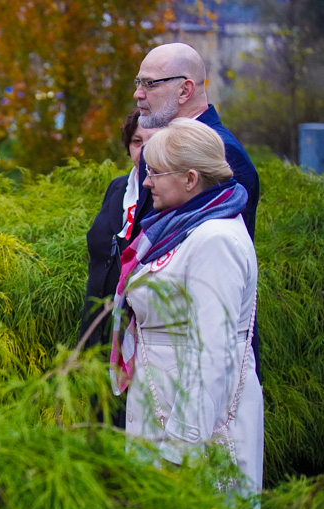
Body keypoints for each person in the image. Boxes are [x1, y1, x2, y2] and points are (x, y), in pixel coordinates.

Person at [110, 119, 263, 492]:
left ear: (191, 179)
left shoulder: (215, 240)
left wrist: (180, 448)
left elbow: (213, 350)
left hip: (192, 429)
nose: (146, 183)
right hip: (162, 404)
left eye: (156, 173)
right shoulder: (177, 227)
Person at [131, 41, 262, 382]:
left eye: (149, 83)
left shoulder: (222, 154)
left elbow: (222, 266)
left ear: (185, 88)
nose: (138, 94)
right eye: (138, 83)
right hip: (157, 346)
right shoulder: (161, 149)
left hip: (198, 358)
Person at [80, 109, 158, 349]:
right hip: (95, 324)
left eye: (154, 142)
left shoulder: (166, 196)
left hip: (137, 333)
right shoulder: (118, 187)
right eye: (137, 141)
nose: (144, 150)